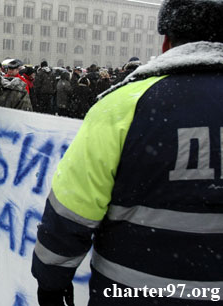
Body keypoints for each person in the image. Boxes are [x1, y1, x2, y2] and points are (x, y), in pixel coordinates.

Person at [31, 1, 223, 305]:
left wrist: (51, 278)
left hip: (130, 291)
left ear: (165, 42)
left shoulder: (121, 105)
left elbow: (73, 208)